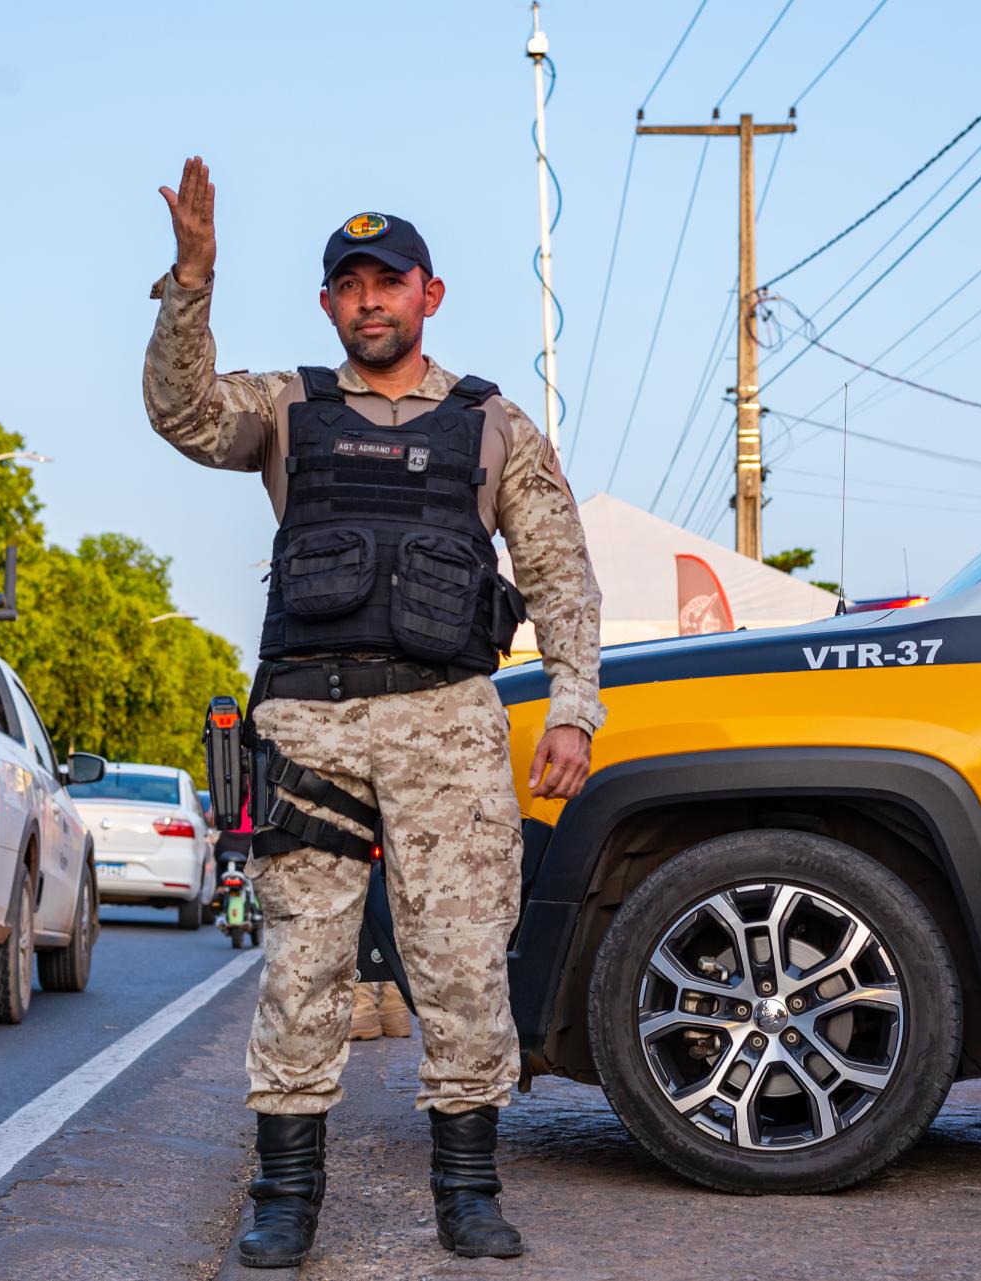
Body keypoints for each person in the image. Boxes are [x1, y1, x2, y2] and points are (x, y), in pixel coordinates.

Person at [145, 157, 603, 1267]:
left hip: (448, 725)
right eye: (349, 285)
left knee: (462, 963)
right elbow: (183, 414)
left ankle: (468, 1190)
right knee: (304, 964)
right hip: (313, 726)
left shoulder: (493, 425)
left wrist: (574, 708)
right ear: (327, 303)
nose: (369, 301)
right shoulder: (287, 408)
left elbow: (559, 572)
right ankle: (284, 1196)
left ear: (427, 294)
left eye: (388, 282)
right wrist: (191, 283)